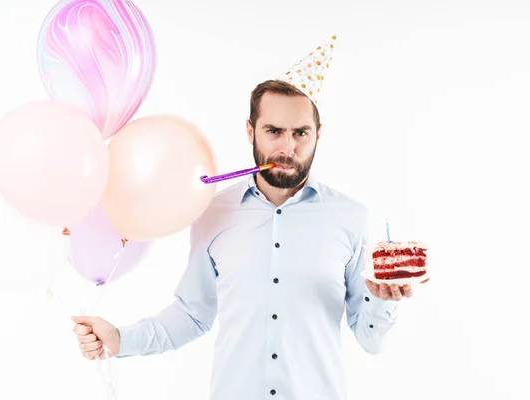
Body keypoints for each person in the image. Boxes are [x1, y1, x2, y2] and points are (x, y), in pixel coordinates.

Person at [72, 36, 415, 400]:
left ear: (318, 135)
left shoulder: (350, 217)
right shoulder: (214, 212)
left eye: (301, 133)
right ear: (251, 131)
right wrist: (121, 339)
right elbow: (192, 314)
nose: (288, 148)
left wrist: (384, 300)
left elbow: (372, 341)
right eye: (274, 132)